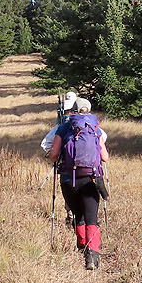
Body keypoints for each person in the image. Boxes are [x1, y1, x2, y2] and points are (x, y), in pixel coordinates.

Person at [47, 96, 108, 270]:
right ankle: (92, 256)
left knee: (78, 215)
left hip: (69, 180)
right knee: (91, 218)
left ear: (73, 110)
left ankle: (82, 247)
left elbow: (53, 155)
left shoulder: (63, 128)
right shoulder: (95, 128)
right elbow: (105, 157)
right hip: (91, 179)